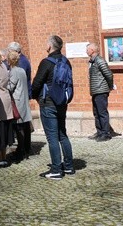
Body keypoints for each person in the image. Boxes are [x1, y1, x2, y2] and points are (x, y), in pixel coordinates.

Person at [32, 35, 75, 180]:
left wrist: (34, 96)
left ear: (50, 46)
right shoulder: (66, 61)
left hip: (48, 102)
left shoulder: (46, 62)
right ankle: (69, 166)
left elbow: (37, 83)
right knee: (63, 134)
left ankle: (56, 169)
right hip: (62, 102)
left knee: (52, 138)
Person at [7, 49, 33, 160]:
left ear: (9, 61)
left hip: (17, 101)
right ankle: (26, 149)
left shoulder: (14, 71)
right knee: (25, 126)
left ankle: (20, 151)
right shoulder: (22, 70)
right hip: (23, 99)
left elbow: (10, 87)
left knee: (19, 127)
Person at [87, 42, 114, 142]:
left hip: (101, 90)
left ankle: (106, 133)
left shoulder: (99, 60)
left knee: (102, 112)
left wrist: (110, 86)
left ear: (92, 50)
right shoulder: (92, 61)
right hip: (95, 91)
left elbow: (109, 74)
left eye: (88, 49)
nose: (86, 51)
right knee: (96, 112)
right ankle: (99, 132)